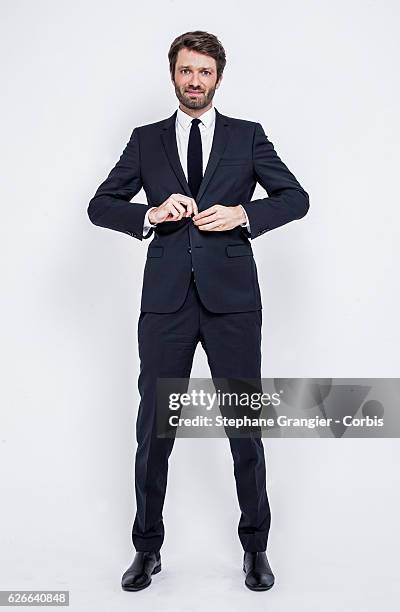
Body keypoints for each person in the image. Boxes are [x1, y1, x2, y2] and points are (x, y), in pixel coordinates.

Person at [88, 30, 309, 592]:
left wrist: (244, 215)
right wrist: (151, 212)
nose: (194, 81)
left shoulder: (246, 136)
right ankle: (147, 549)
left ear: (217, 78)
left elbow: (295, 198)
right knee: (154, 430)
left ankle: (255, 548)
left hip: (233, 302)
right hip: (165, 305)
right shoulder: (146, 140)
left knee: (245, 426)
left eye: (204, 72)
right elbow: (100, 205)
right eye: (186, 71)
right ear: (173, 74)